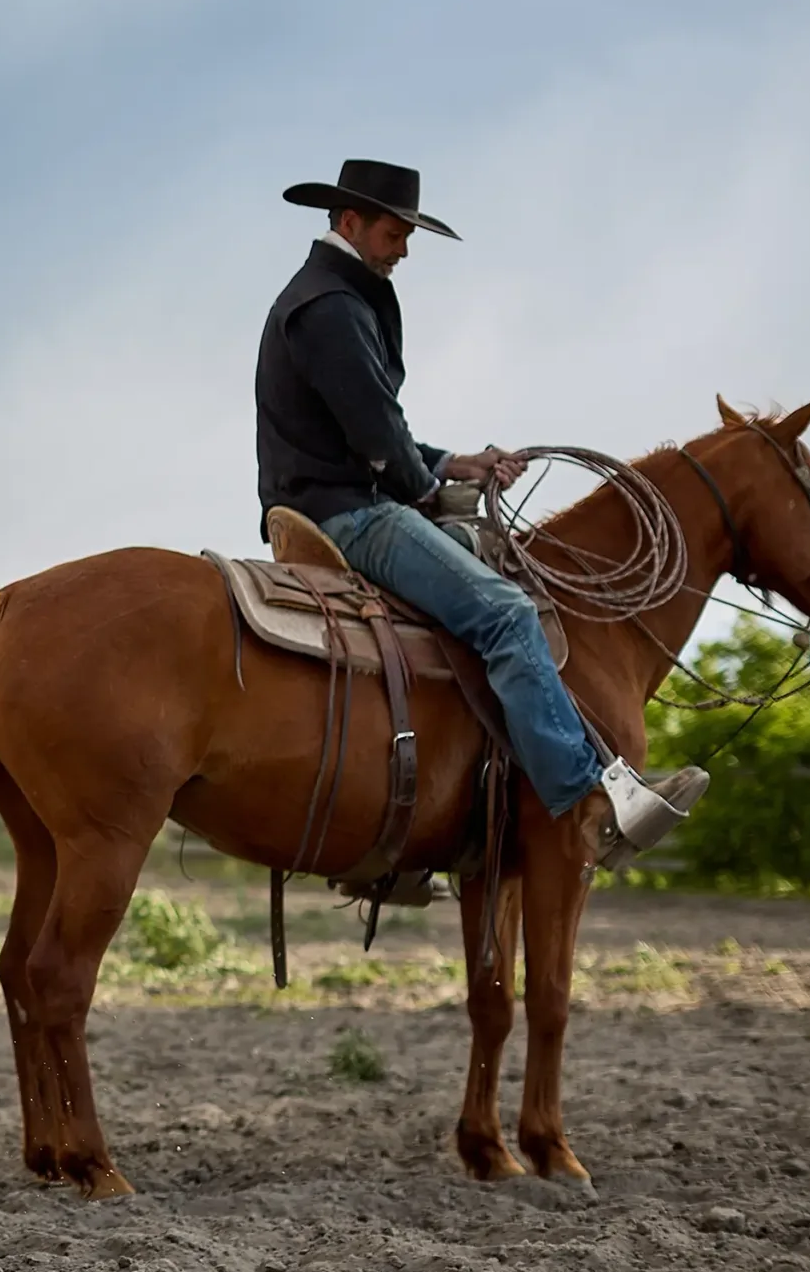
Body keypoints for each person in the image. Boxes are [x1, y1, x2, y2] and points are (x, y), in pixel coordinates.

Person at [253, 158, 705, 854]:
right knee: (506, 612)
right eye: (394, 232)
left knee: (493, 576)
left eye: (407, 234)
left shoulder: (329, 294)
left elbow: (370, 427)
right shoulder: (333, 307)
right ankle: (587, 801)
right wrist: (430, 486)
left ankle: (472, 789)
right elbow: (376, 436)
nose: (403, 248)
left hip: (335, 494)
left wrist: (450, 462)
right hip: (350, 513)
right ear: (349, 222)